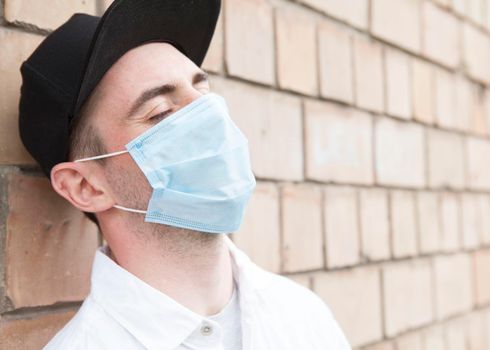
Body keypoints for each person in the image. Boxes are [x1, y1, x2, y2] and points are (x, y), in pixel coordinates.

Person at [18, 1, 352, 349]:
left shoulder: (302, 316)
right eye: (161, 112)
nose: (210, 118)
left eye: (203, 93)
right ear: (86, 186)